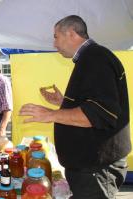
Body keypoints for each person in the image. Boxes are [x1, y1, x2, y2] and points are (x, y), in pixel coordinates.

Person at [19, 15, 131, 199]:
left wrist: (51, 114)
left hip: (96, 167)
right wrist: (63, 102)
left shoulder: (96, 58)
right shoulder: (92, 57)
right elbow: (94, 103)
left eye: (56, 36)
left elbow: (100, 113)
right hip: (91, 166)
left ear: (71, 33)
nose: (54, 44)